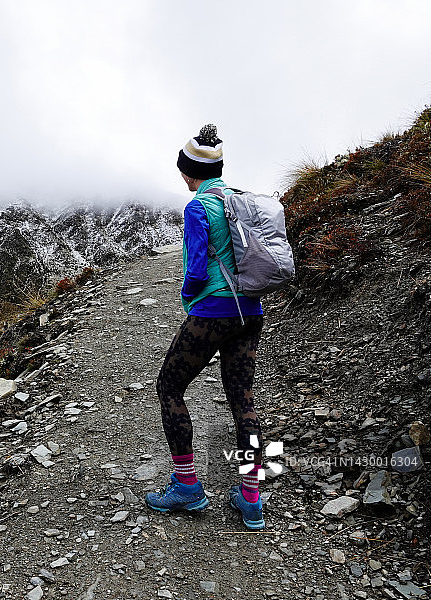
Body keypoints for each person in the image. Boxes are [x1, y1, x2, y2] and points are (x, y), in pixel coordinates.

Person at [144, 124, 266, 530]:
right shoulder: (239, 199)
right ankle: (251, 496)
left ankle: (186, 486)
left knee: (170, 387)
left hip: (213, 313)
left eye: (182, 168)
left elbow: (196, 271)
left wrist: (186, 294)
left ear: (188, 171)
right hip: (251, 311)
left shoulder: (198, 208)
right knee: (242, 400)